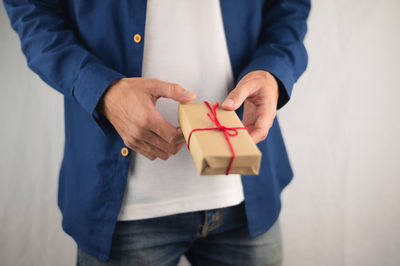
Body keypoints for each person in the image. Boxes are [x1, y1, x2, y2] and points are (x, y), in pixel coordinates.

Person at [4, 0, 310, 265]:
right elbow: (34, 12)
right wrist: (101, 90)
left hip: (246, 201)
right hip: (123, 208)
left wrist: (274, 69)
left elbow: (287, 8)